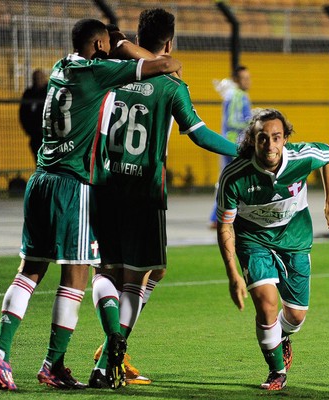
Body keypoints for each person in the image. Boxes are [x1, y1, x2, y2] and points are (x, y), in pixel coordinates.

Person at [0, 18, 182, 391]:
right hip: (73, 184)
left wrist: (110, 43)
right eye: (104, 44)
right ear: (98, 45)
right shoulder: (99, 71)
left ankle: (1, 352)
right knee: (76, 278)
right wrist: (123, 46)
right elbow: (169, 66)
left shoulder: (61, 66)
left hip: (40, 179)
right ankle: (52, 364)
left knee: (29, 271)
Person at [86, 9, 238, 389]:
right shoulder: (171, 86)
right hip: (143, 193)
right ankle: (109, 358)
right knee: (137, 277)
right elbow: (200, 134)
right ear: (169, 43)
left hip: (103, 185)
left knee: (108, 270)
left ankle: (110, 351)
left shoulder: (109, 74)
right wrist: (243, 151)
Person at [215, 108, 329, 391]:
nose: (270, 145)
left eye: (276, 137)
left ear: (285, 139)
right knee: (267, 303)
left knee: (295, 315)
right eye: (263, 138)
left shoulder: (302, 157)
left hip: (294, 237)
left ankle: (280, 337)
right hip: (253, 239)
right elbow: (225, 228)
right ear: (253, 139)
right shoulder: (234, 176)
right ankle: (276, 372)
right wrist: (233, 273)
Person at [209, 65, 252, 228]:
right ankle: (225, 217)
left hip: (229, 142)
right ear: (236, 80)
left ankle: (217, 217)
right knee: (240, 179)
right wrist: (251, 121)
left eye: (249, 78)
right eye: (244, 78)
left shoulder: (233, 94)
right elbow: (232, 121)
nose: (248, 81)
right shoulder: (238, 95)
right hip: (234, 144)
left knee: (227, 180)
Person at [19, 69, 47, 164]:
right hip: (35, 136)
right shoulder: (29, 94)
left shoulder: (51, 92)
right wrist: (30, 131)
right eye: (36, 78)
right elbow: (23, 115)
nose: (38, 80)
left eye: (40, 78)